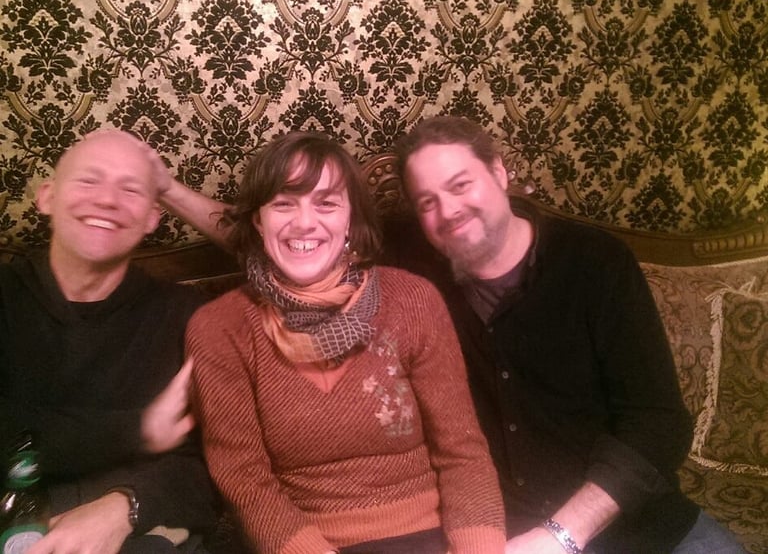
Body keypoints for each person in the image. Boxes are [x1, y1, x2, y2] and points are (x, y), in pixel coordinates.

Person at [394, 116, 746, 554]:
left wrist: (561, 534)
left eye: (461, 185)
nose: (448, 211)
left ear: (499, 172)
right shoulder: (416, 283)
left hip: (635, 523)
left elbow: (659, 422)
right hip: (508, 534)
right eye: (427, 202)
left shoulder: (596, 262)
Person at [182, 131, 506, 554]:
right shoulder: (219, 328)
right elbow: (244, 479)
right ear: (259, 222)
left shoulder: (413, 299)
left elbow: (462, 452)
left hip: (433, 538)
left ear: (351, 219)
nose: (304, 222)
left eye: (326, 203)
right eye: (283, 204)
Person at [0, 129, 218, 554]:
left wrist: (125, 508)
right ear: (46, 197)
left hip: (143, 529)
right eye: (88, 180)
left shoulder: (185, 314)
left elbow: (216, 463)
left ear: (152, 217)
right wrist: (139, 429)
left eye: (130, 189)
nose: (107, 200)